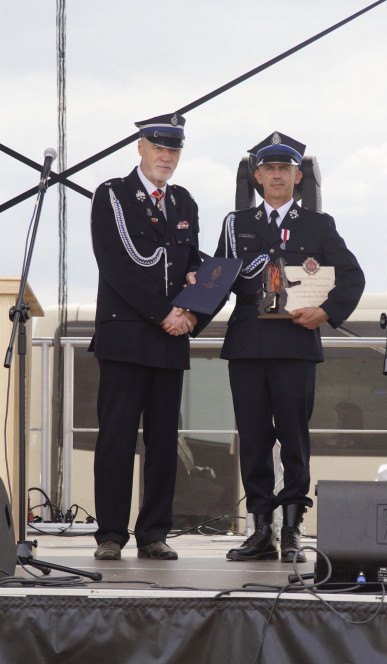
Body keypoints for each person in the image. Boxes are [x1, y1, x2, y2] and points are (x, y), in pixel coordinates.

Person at [213, 131, 365, 563]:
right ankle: (261, 527)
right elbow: (217, 280)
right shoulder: (236, 224)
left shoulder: (319, 225)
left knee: (294, 440)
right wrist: (185, 317)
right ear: (257, 176)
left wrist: (326, 313)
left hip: (296, 345)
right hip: (245, 346)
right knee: (255, 439)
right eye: (269, 169)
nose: (277, 175)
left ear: (298, 177)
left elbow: (352, 277)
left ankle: (293, 528)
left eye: (285, 169)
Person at [90, 112, 202, 561]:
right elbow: (118, 265)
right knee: (116, 438)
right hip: (126, 337)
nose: (166, 156)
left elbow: (192, 262)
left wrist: (194, 313)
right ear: (140, 147)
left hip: (170, 339)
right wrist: (166, 314)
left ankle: (153, 532)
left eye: (174, 149)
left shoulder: (185, 203)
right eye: (159, 147)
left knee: (163, 441)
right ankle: (111, 535)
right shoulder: (114, 196)